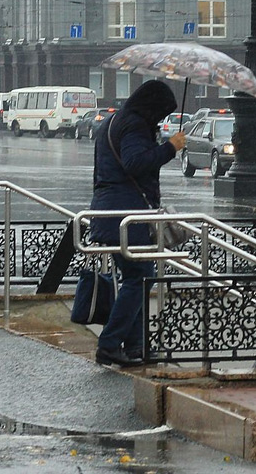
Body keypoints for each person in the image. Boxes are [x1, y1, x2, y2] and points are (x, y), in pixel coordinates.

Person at [89, 80, 186, 367]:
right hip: (127, 215)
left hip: (110, 212)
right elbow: (135, 163)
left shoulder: (113, 122)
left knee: (137, 278)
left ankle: (136, 346)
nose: (161, 118)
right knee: (139, 279)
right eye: (161, 111)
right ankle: (109, 344)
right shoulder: (134, 125)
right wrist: (170, 147)